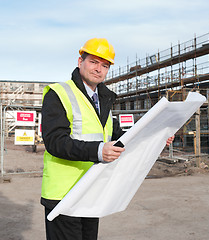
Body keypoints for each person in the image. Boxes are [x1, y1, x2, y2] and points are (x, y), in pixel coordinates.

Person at [41, 37, 174, 240]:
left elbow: (119, 137)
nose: (98, 69)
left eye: (104, 65)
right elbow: (55, 142)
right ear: (80, 61)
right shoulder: (59, 93)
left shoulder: (104, 99)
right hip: (63, 194)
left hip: (92, 189)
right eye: (93, 62)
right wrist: (98, 151)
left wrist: (155, 137)